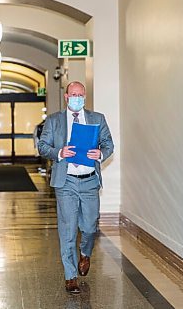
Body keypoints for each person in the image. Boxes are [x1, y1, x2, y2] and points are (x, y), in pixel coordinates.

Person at [38, 81, 114, 294]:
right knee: (68, 229)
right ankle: (70, 276)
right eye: (73, 94)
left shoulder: (97, 119)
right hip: (66, 182)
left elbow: (108, 144)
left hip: (89, 180)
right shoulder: (54, 121)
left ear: (85, 96)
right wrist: (60, 152)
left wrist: (100, 153)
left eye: (80, 94)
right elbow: (42, 146)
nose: (77, 97)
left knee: (89, 227)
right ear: (66, 97)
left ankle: (85, 253)